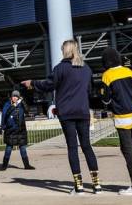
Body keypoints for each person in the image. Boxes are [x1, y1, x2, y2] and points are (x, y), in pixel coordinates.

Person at [22, 39, 100, 195]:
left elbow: (48, 85)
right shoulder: (86, 69)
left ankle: (79, 186)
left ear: (64, 51)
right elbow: (91, 90)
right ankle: (96, 184)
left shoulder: (60, 68)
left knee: (72, 148)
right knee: (87, 146)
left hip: (67, 113)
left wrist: (32, 83)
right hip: (83, 112)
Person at [101, 48, 132, 196]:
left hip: (122, 118)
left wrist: (106, 100)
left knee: (127, 150)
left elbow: (106, 99)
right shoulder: (129, 72)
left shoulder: (107, 76)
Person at [0, 90, 35, 171]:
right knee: (9, 147)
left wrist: (23, 102)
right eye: (13, 96)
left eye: (16, 97)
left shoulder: (21, 104)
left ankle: (27, 165)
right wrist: (3, 127)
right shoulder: (7, 104)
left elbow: (27, 111)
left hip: (21, 130)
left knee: (23, 147)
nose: (15, 98)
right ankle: (4, 165)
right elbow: (5, 114)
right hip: (10, 129)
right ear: (11, 97)